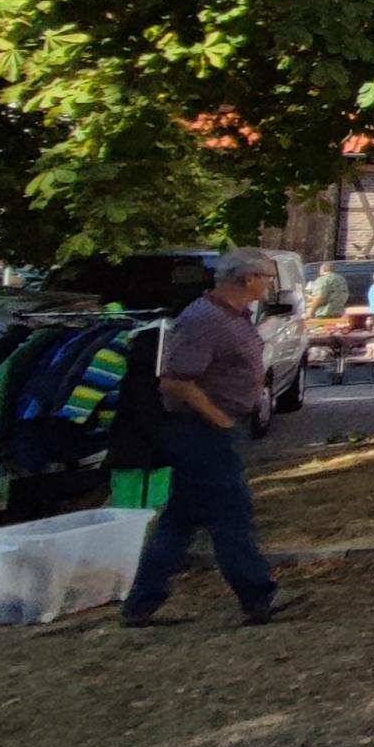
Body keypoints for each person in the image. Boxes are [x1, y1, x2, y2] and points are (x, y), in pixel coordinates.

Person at [122, 249, 302, 627]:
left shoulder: (233, 316)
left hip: (210, 431)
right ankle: (258, 596)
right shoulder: (204, 320)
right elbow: (175, 381)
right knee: (231, 514)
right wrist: (218, 419)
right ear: (247, 279)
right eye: (266, 277)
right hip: (201, 433)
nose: (270, 284)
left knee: (181, 521)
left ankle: (140, 605)